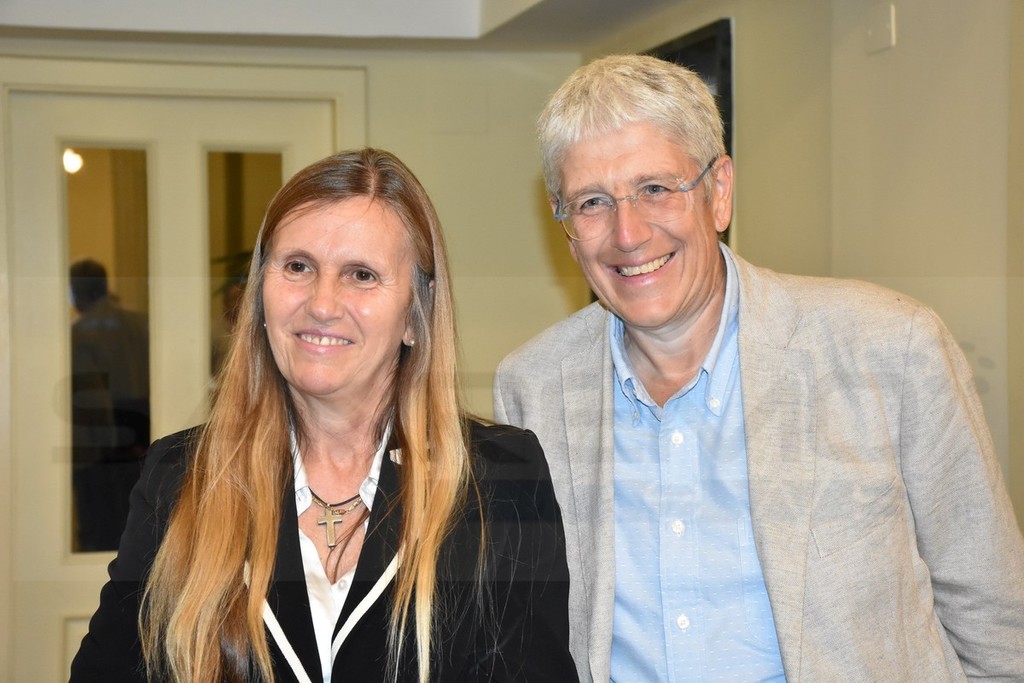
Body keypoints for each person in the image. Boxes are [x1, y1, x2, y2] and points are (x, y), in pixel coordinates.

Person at [493, 54, 1024, 682]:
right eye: (592, 202)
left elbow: (995, 622)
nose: (627, 233)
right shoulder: (532, 389)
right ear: (565, 225)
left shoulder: (889, 348)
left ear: (718, 192)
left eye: (656, 189)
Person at [71, 149, 578, 682]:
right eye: (298, 266)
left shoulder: (500, 478)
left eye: (361, 274)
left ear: (416, 314)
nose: (321, 304)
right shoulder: (182, 475)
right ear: (260, 296)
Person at [69, 258, 150, 552]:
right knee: (137, 527)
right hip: (143, 440)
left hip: (97, 445)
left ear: (76, 292)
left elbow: (91, 398)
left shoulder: (79, 333)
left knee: (99, 531)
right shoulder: (142, 324)